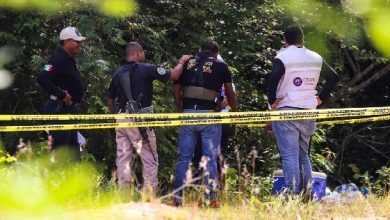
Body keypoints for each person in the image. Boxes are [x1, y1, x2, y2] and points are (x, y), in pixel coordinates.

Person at [108, 41, 190, 193]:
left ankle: (123, 196)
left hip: (121, 119)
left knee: (123, 158)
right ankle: (149, 195)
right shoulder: (147, 69)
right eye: (143, 52)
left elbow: (110, 100)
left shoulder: (117, 73)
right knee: (149, 157)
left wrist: (118, 116)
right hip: (141, 118)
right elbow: (174, 75)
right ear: (138, 53)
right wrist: (182, 61)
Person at [267, 25, 339, 195]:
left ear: (284, 40)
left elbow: (272, 81)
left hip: (287, 110)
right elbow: (334, 77)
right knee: (303, 154)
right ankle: (307, 194)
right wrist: (321, 97)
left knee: (289, 155)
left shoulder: (283, 57)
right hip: (309, 110)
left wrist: (272, 102)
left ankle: (291, 195)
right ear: (302, 39)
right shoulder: (315, 57)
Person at [173, 41, 238, 207]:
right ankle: (210, 199)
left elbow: (175, 88)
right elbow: (230, 93)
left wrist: (180, 107)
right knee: (210, 159)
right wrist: (236, 113)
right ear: (215, 53)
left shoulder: (187, 63)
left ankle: (177, 199)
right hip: (209, 115)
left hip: (187, 114)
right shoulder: (221, 66)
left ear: (199, 50)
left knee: (184, 158)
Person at [37, 26, 86, 161]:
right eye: (77, 41)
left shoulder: (68, 59)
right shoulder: (56, 59)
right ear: (66, 41)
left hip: (68, 111)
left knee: (74, 154)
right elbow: (42, 78)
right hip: (59, 110)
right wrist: (62, 95)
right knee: (60, 153)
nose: (79, 44)